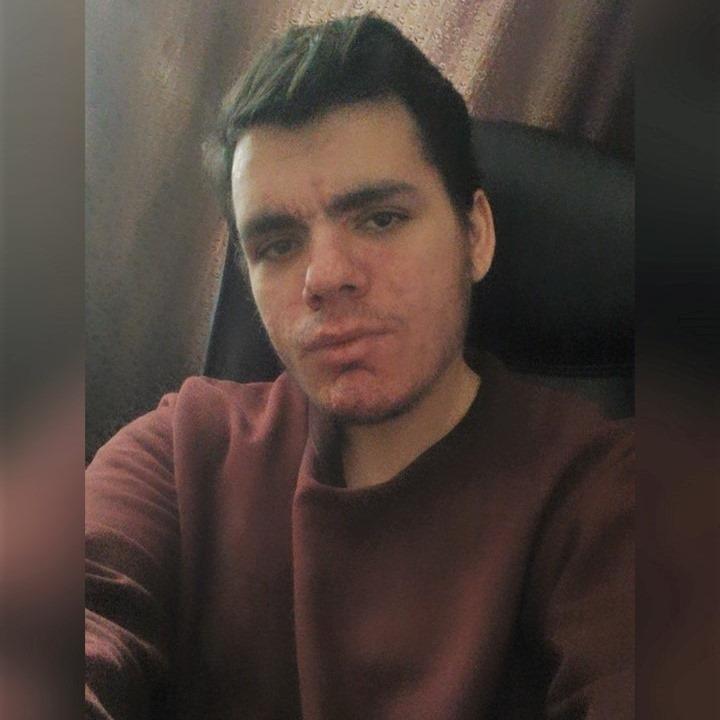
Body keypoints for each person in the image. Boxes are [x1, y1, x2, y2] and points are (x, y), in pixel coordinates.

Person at [85, 13, 633, 720]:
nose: (326, 276)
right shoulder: (183, 451)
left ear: (475, 235)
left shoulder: (606, 492)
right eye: (278, 244)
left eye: (380, 219)